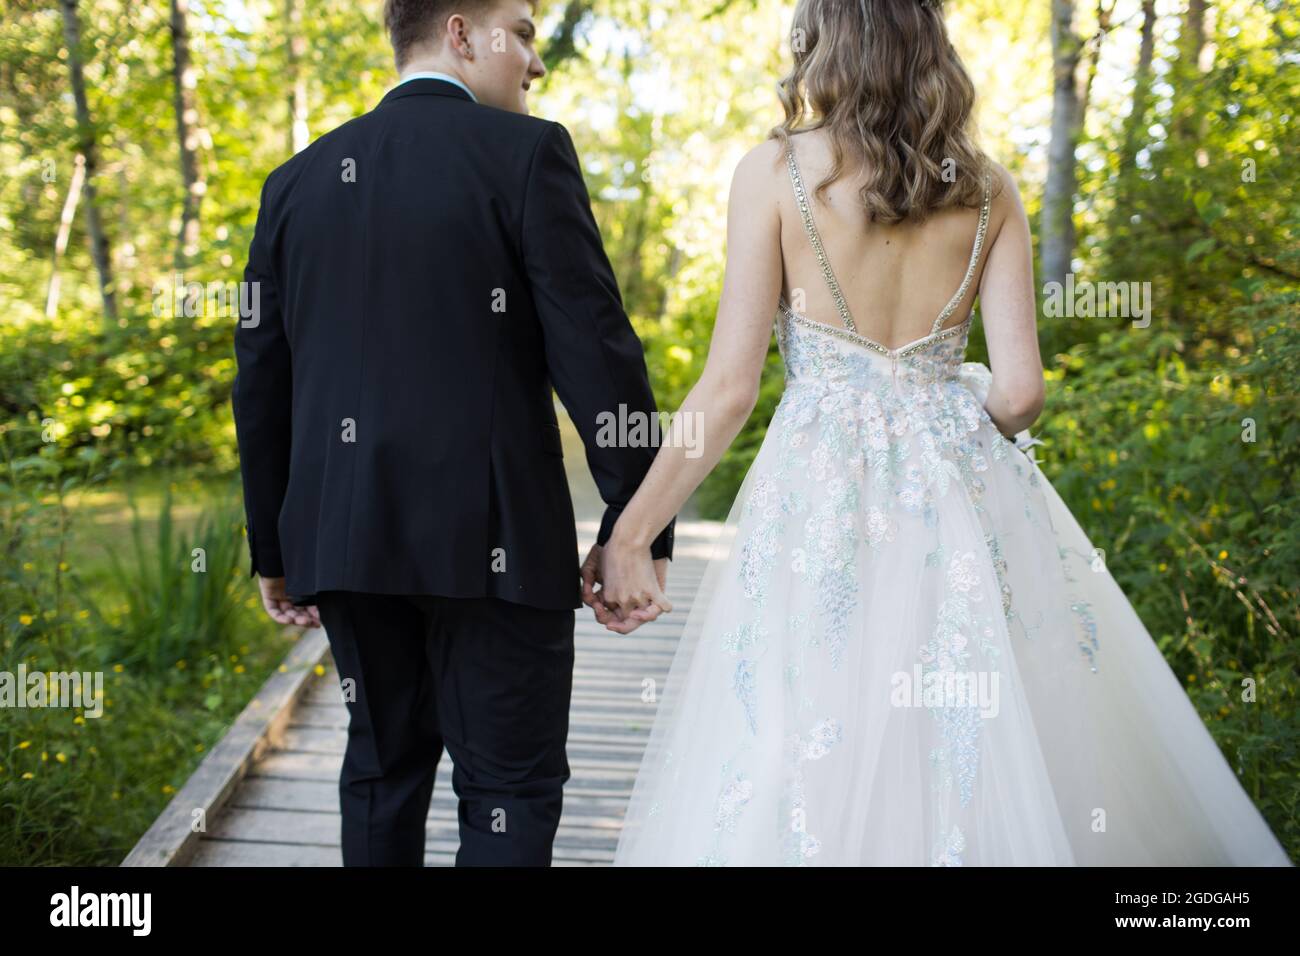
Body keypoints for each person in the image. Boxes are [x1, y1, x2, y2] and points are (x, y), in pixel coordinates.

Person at [601, 0, 1292, 866]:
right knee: (959, 728)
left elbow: (731, 387)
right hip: (951, 493)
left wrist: (629, 534)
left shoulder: (774, 174)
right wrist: (946, 397)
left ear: (824, 46)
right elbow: (1022, 393)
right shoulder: (988, 186)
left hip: (818, 493)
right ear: (931, 48)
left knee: (800, 728)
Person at [231, 0, 674, 866]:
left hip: (348, 544)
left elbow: (262, 382)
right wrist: (638, 524)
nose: (536, 65)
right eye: (526, 32)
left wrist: (274, 548)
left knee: (380, 772)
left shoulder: (297, 181)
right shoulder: (528, 155)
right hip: (497, 544)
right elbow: (596, 354)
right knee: (509, 788)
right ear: (464, 33)